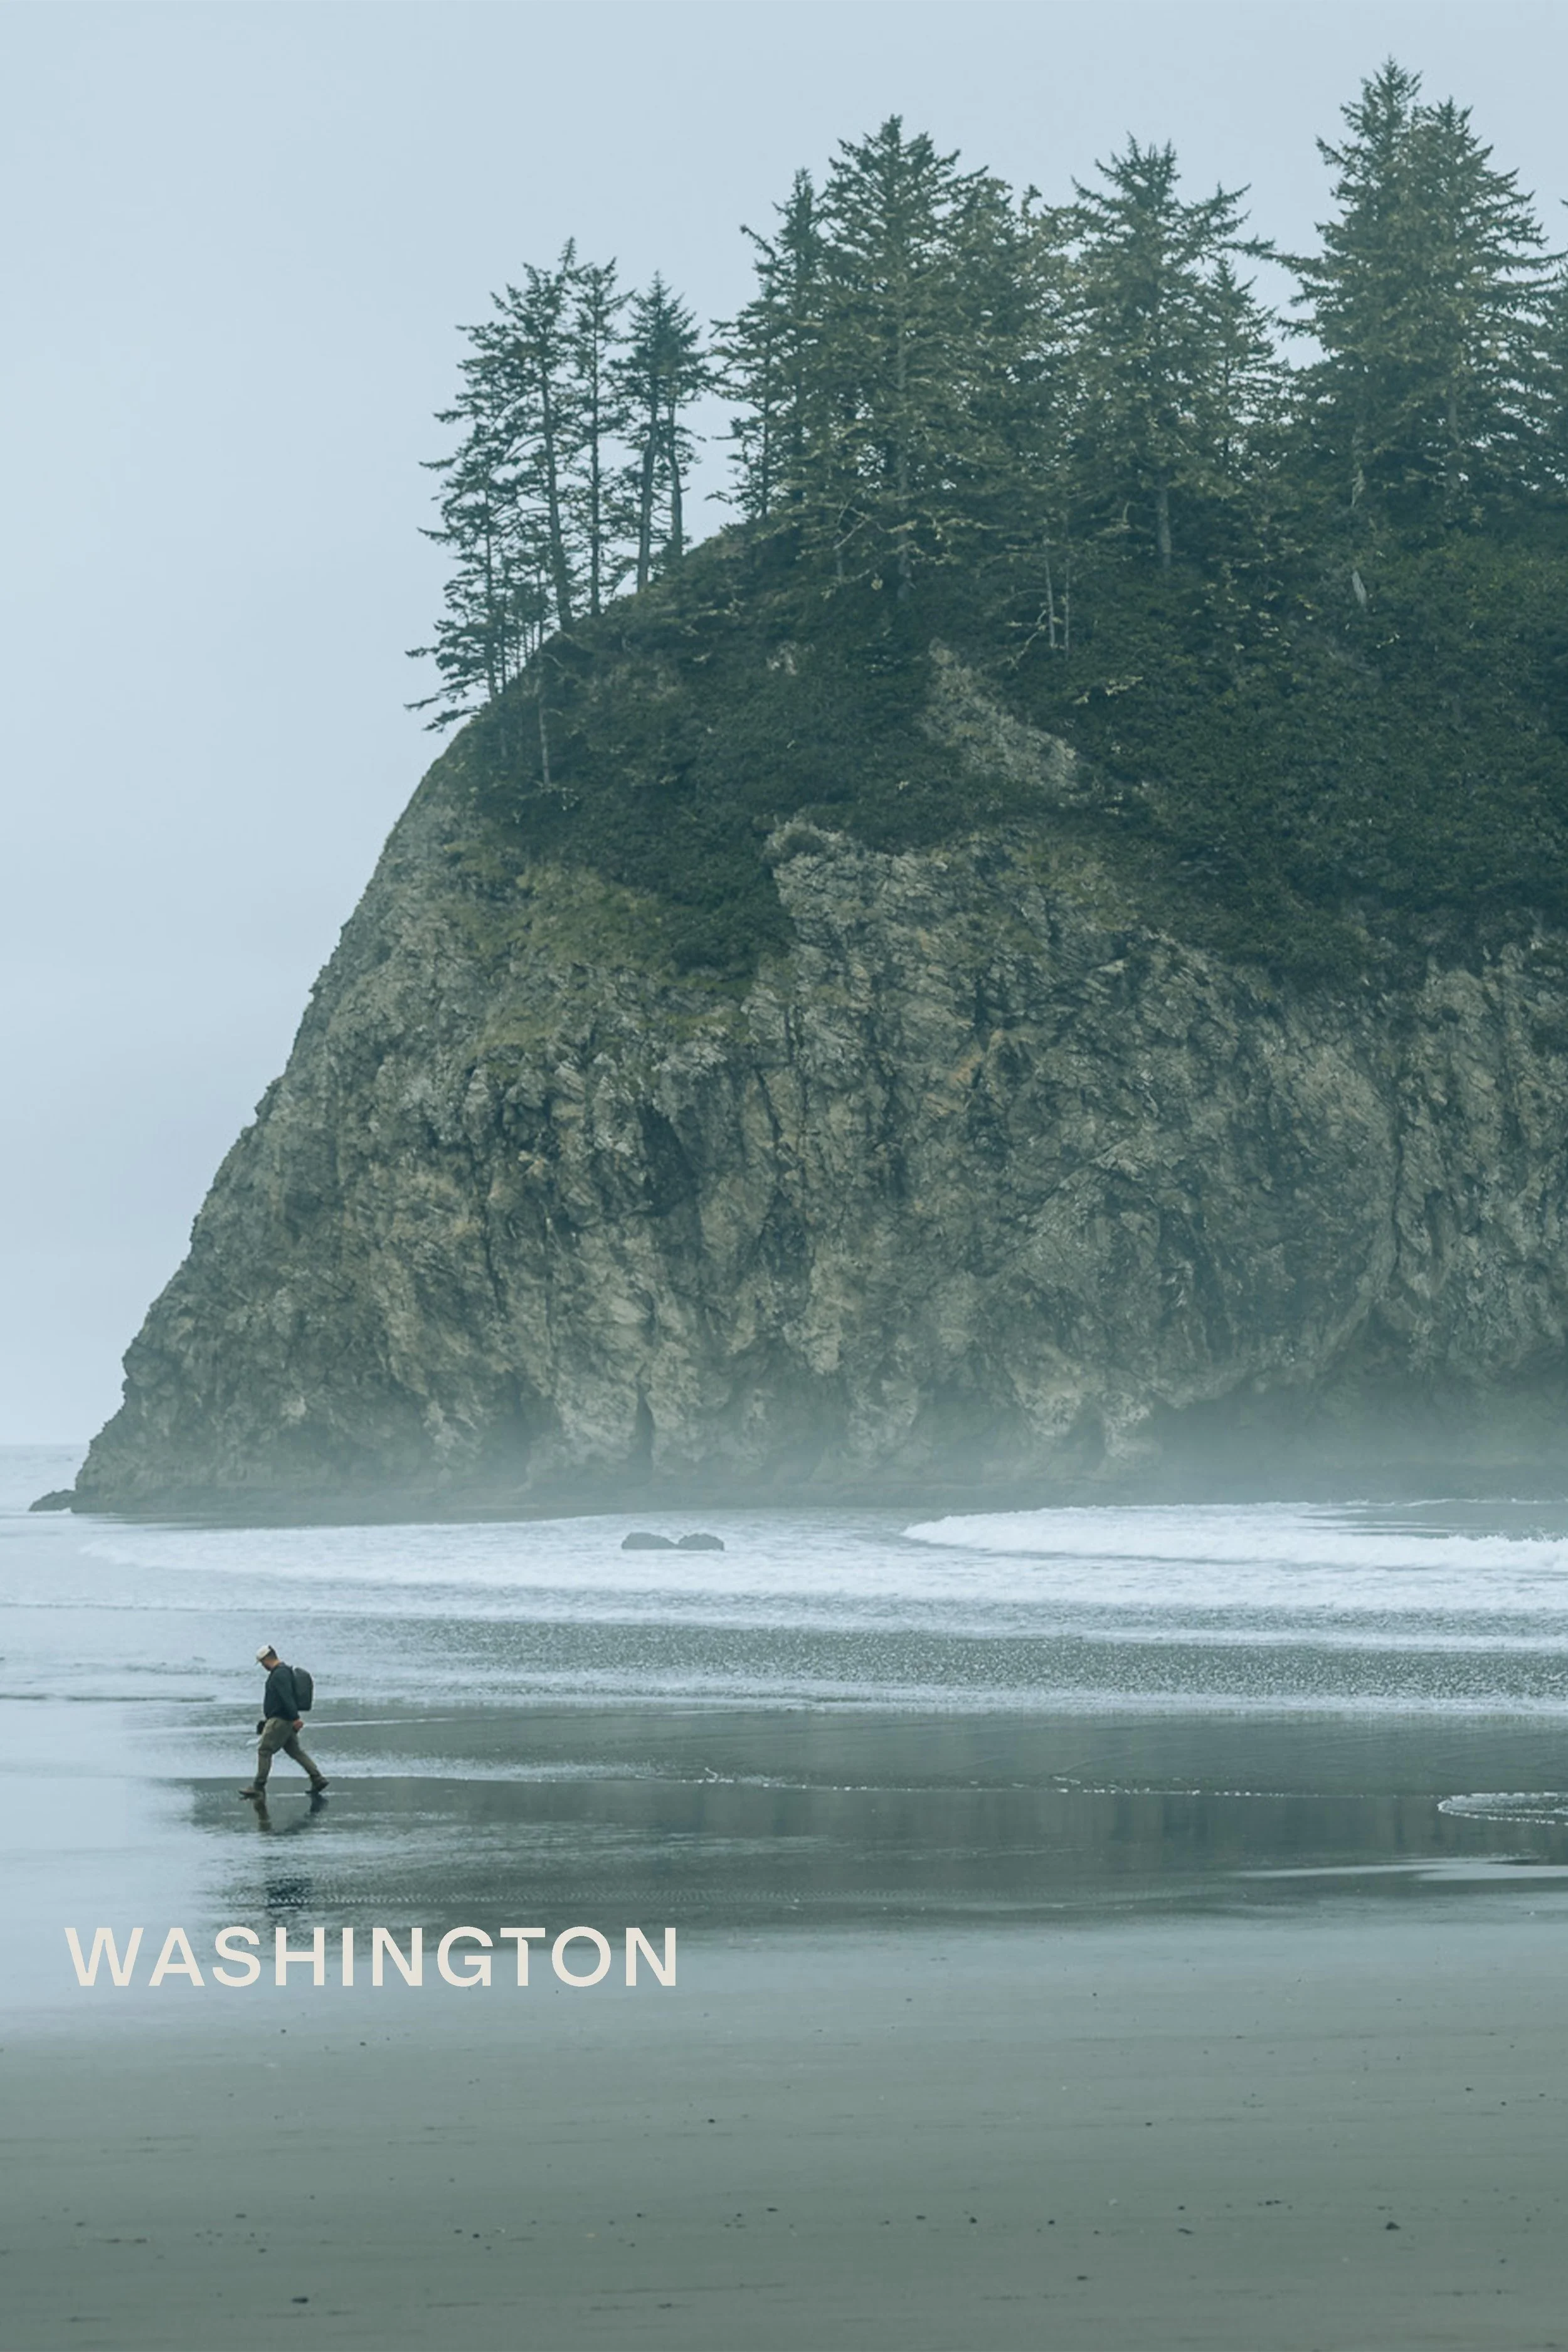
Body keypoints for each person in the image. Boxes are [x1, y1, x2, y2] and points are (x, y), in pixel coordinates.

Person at [240, 1645, 327, 1798]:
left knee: (264, 1751)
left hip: (280, 1720)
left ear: (268, 1659)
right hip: (285, 1719)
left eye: (262, 1663)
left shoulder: (279, 1674)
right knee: (295, 1751)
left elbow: (286, 1697)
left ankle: (258, 1787)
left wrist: (295, 1718)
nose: (263, 1666)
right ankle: (317, 1778)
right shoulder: (284, 1672)